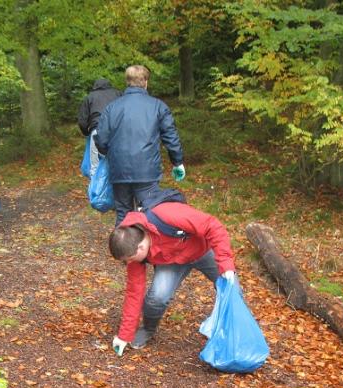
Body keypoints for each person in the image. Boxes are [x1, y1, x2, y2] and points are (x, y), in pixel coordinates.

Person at [108, 202, 236, 356]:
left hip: (203, 250)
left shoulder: (167, 215)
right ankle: (148, 329)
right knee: (157, 297)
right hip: (173, 262)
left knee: (233, 289)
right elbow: (134, 293)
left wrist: (225, 263)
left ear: (140, 247)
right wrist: (124, 336)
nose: (129, 263)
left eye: (130, 259)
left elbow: (212, 225)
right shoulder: (133, 250)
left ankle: (234, 334)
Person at [95, 65, 185, 226]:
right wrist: (177, 162)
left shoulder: (111, 108)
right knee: (149, 211)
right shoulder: (158, 106)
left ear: (127, 81)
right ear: (145, 82)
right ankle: (148, 248)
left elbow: (101, 139)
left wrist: (109, 154)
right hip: (147, 171)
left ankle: (123, 248)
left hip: (119, 169)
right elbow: (170, 136)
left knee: (123, 212)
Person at [77, 78, 121, 178]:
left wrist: (87, 133)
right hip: (117, 130)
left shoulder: (90, 97)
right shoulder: (118, 94)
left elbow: (82, 121)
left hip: (97, 130)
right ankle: (117, 190)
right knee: (118, 162)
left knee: (95, 166)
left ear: (95, 86)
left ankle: (96, 191)